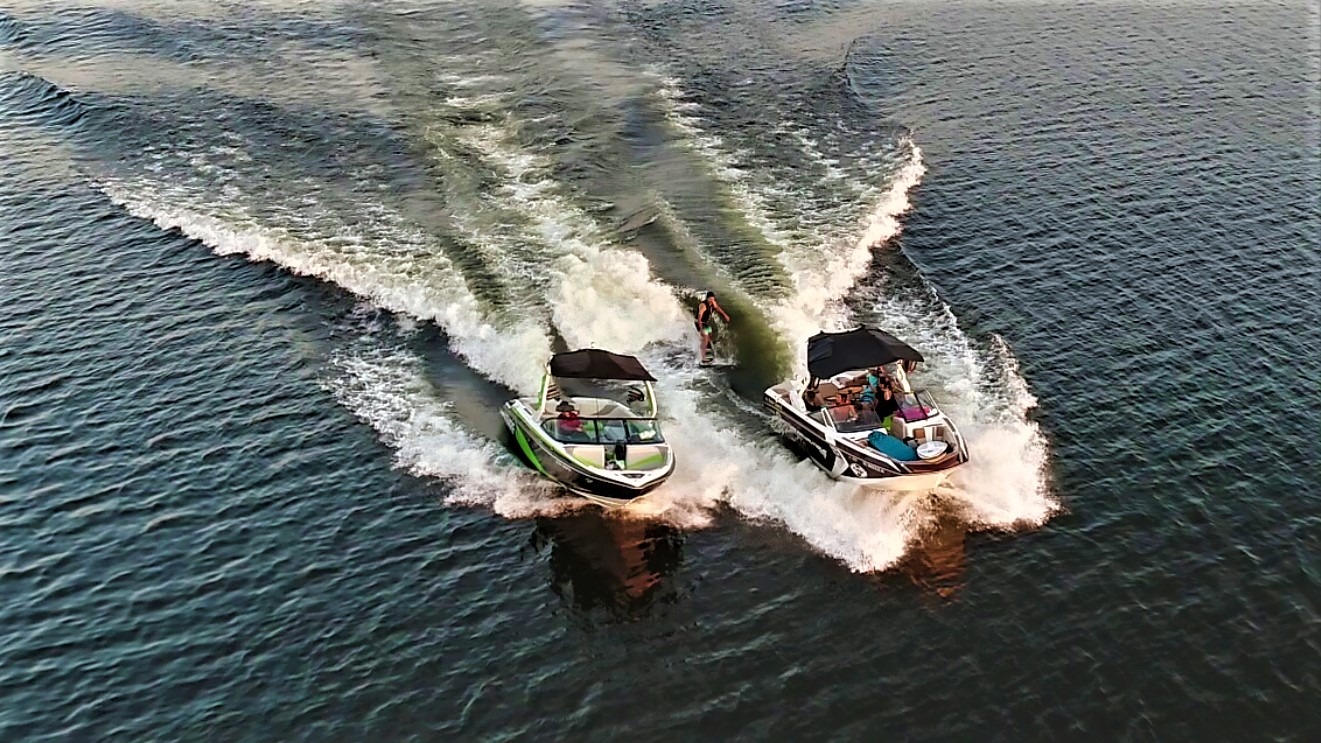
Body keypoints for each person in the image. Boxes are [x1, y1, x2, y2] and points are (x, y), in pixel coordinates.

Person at [694, 291, 731, 364]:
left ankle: (706, 345)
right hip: (699, 323)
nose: (711, 300)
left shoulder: (713, 303)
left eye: (712, 299)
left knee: (710, 334)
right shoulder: (703, 305)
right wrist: (701, 329)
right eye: (710, 299)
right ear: (707, 298)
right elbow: (699, 317)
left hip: (705, 323)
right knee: (705, 336)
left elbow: (718, 308)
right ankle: (703, 357)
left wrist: (725, 315)